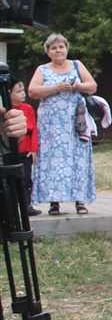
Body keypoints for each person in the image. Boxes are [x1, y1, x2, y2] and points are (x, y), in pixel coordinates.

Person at [28, 33, 97, 216]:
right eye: (54, 48)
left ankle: (80, 201)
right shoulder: (42, 69)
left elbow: (92, 86)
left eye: (61, 47)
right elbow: (33, 91)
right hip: (51, 126)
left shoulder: (77, 65)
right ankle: (54, 202)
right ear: (48, 52)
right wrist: (56, 88)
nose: (58, 50)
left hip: (75, 123)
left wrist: (78, 86)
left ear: (67, 48)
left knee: (78, 159)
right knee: (53, 162)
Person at [10, 77, 40, 216]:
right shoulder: (7, 110)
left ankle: (27, 205)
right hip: (10, 153)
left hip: (25, 152)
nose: (23, 94)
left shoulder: (28, 108)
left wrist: (33, 150)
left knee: (26, 179)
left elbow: (33, 131)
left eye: (23, 90)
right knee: (11, 180)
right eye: (18, 91)